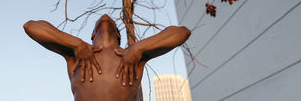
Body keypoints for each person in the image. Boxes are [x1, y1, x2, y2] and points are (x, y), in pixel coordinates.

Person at [23, 14, 191, 101]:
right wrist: (76, 44)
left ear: (118, 35)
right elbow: (31, 26)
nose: (104, 16)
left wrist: (139, 47)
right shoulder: (76, 56)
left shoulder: (133, 57)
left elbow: (182, 32)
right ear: (92, 36)